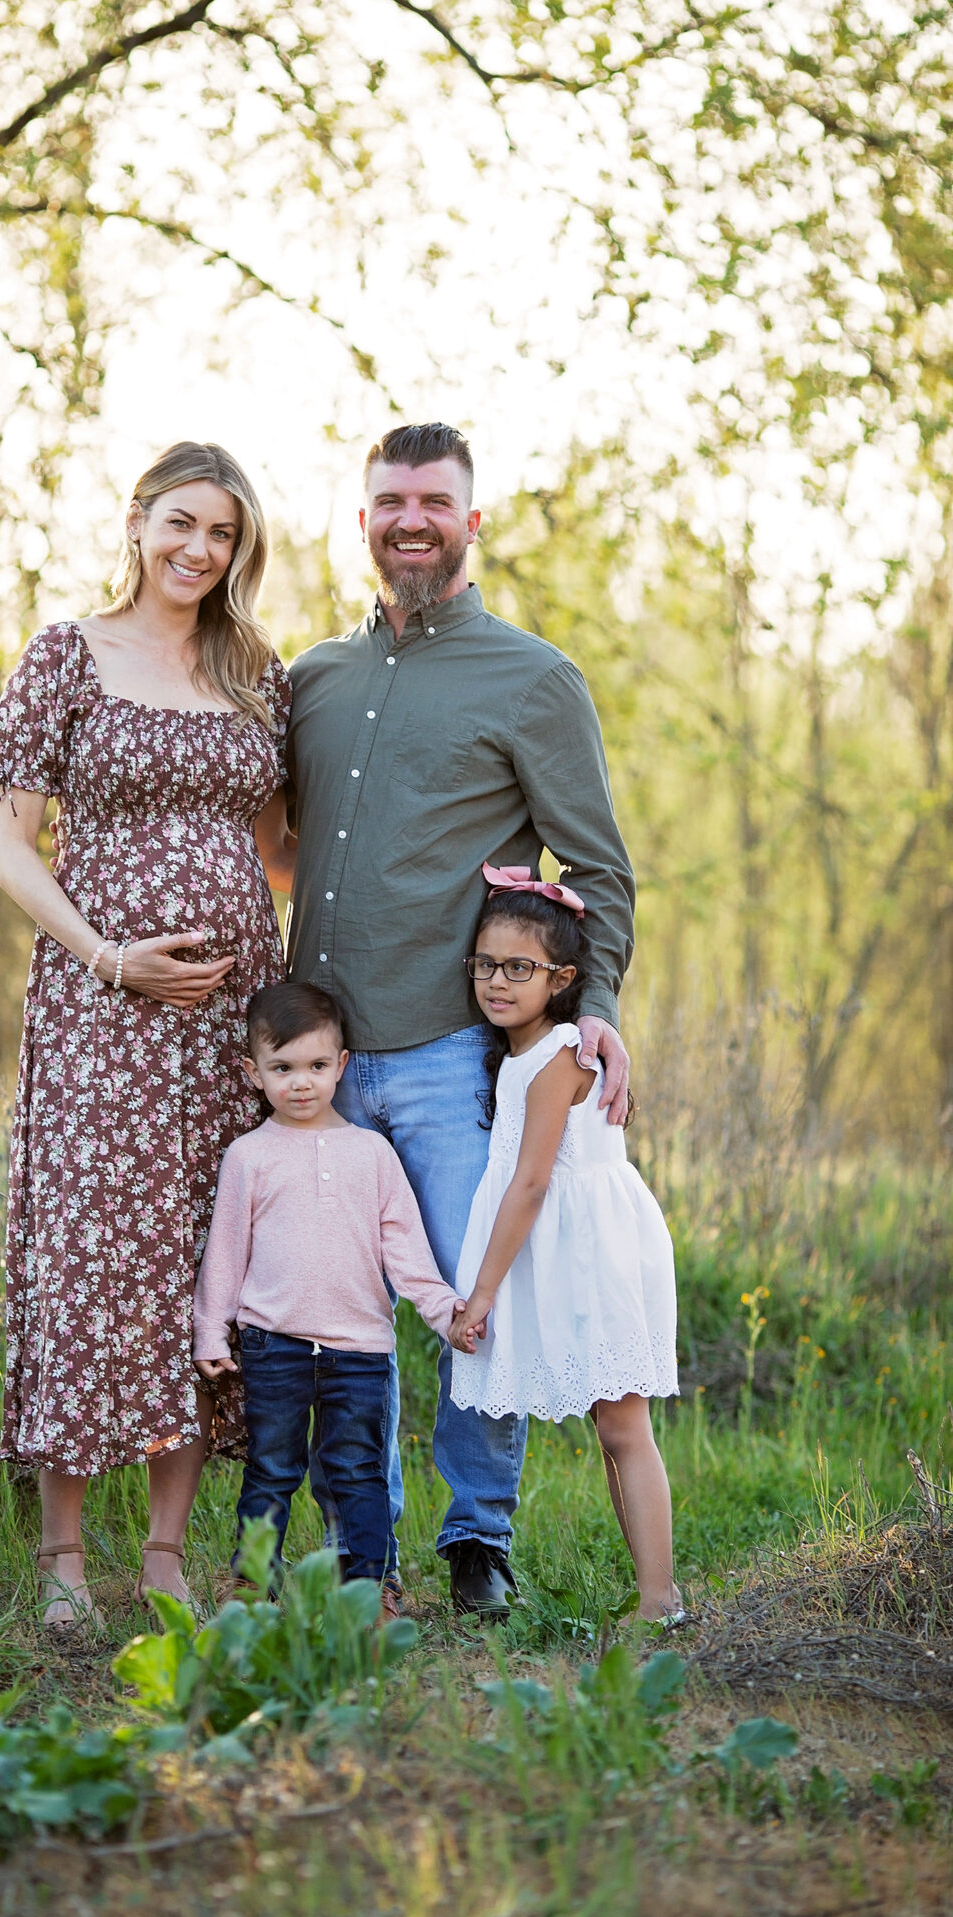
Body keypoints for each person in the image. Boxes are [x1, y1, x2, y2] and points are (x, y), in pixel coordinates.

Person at [285, 421, 637, 1618]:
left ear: (470, 522)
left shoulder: (531, 679)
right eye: (390, 501)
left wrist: (589, 1013)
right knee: (337, 1322)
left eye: (432, 501)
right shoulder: (314, 679)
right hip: (319, 1069)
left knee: (471, 1311)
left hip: (445, 1058)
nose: (410, 521)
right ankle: (358, 1553)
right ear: (366, 519)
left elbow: (597, 869)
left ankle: (477, 1542)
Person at [0, 441, 295, 1628]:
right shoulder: (67, 653)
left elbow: (276, 849)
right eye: (181, 523)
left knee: (202, 1261)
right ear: (137, 522)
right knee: (88, 1257)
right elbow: (8, 846)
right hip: (98, 1012)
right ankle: (64, 1560)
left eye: (221, 534)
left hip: (226, 1020)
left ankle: (164, 1554)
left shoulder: (255, 672)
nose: (197, 550)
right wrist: (112, 957)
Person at [448, 867, 680, 1620]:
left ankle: (660, 1598)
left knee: (622, 1423)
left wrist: (481, 1291)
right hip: (563, 1250)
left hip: (594, 1251)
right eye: (486, 965)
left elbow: (532, 1183)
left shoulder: (558, 1056)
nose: (497, 981)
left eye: (520, 968)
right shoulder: (521, 1053)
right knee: (611, 1426)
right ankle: (654, 1595)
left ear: (564, 978)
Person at [192, 983, 465, 1612]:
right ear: (252, 1073)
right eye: (282, 1069)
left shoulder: (372, 1154)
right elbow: (225, 1254)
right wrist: (211, 1330)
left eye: (317, 1066)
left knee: (355, 1473)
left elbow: (406, 1251)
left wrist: (445, 1313)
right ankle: (253, 1583)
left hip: (359, 1348)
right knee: (271, 1468)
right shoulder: (249, 1156)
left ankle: (366, 1590)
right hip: (274, 1343)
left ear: (341, 1065)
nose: (301, 1083)